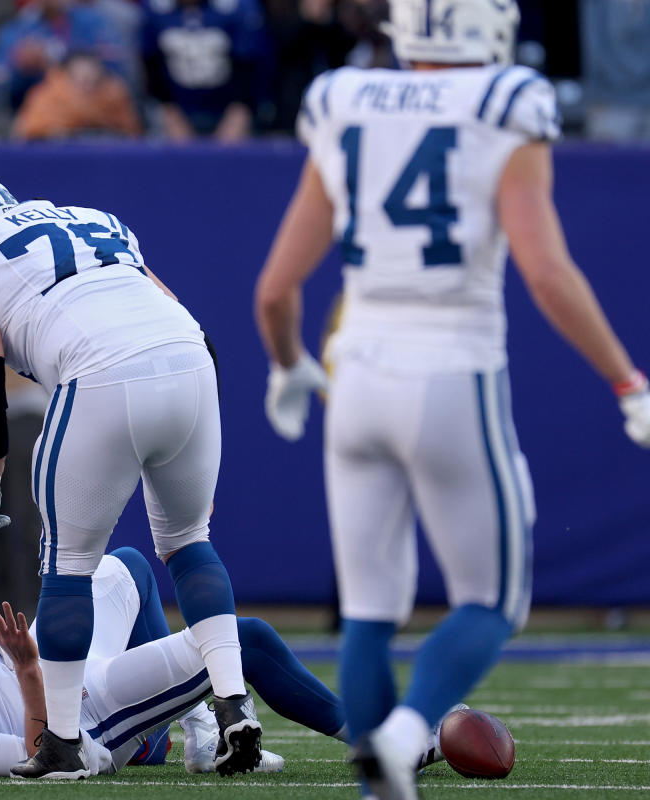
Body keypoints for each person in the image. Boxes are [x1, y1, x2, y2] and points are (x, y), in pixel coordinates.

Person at [252, 1, 650, 798]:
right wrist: (627, 379)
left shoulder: (343, 97)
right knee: (493, 600)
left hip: (356, 374)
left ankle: (382, 782)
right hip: (451, 371)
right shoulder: (506, 101)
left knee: (367, 612)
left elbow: (275, 289)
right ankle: (404, 734)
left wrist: (289, 364)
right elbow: (546, 272)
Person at [0, 180, 255, 779]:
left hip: (99, 374)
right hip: (192, 364)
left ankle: (63, 743)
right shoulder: (90, 225)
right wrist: (202, 454)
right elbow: (190, 326)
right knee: (189, 542)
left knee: (67, 562)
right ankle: (234, 707)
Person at [0, 547, 349, 777]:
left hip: (45, 657)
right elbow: (40, 757)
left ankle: (197, 732)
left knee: (127, 567)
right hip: (82, 707)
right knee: (240, 640)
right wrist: (23, 668)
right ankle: (376, 736)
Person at [140, 0, 269, 143]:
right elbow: (150, 66)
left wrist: (240, 111)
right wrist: (168, 111)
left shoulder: (238, 8)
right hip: (175, 109)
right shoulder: (153, 9)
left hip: (229, 109)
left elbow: (250, 67)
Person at [12, 50, 142, 141]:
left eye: (91, 79)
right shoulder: (45, 95)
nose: (87, 84)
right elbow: (28, 130)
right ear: (67, 75)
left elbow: (130, 131)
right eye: (81, 80)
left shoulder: (114, 94)